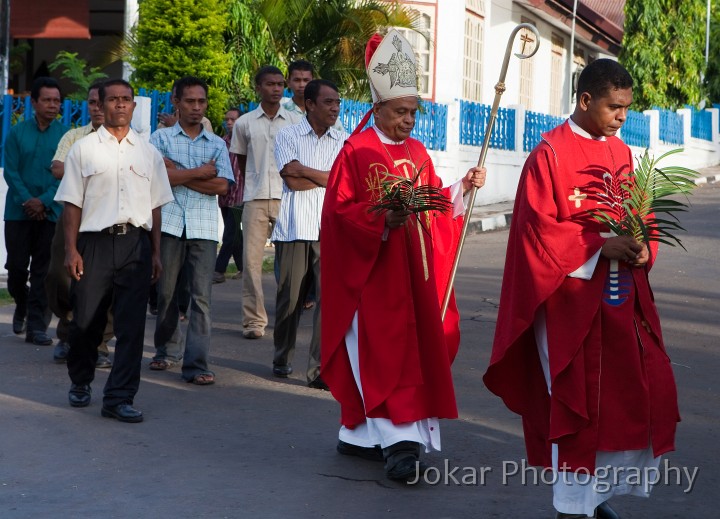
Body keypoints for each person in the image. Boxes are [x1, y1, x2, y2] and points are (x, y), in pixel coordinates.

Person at [483, 59, 680, 519]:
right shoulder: (549, 155)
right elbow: (536, 231)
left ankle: (595, 496)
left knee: (620, 398)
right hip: (570, 301)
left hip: (620, 300)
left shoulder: (622, 153)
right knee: (578, 401)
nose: (622, 117)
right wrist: (598, 246)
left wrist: (646, 247)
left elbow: (640, 212)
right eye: (615, 107)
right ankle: (571, 505)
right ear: (586, 100)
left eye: (627, 108)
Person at [320, 30, 486, 481]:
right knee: (386, 357)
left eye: (413, 112)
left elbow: (434, 200)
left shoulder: (416, 151)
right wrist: (380, 222)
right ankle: (401, 446)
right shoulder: (356, 152)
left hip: (414, 277)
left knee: (411, 352)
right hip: (372, 281)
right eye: (400, 112)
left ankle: (360, 438)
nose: (409, 121)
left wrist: (462, 188)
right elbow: (338, 215)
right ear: (377, 108)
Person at [55, 78, 173, 422]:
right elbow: (72, 204)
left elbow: (155, 207)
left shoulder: (148, 153)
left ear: (134, 106)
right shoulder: (84, 150)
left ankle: (119, 398)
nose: (120, 105)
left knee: (132, 326)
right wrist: (71, 249)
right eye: (113, 100)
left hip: (134, 245)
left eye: (126, 99)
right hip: (93, 244)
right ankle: (81, 380)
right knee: (86, 322)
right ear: (101, 106)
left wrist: (155, 253)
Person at [149, 76, 233, 385]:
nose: (196, 107)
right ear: (176, 102)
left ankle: (197, 364)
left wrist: (178, 173)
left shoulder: (217, 144)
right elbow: (157, 177)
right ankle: (166, 350)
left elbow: (222, 186)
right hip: (169, 223)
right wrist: (199, 173)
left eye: (201, 102)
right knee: (167, 292)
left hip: (205, 227)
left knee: (201, 298)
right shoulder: (160, 139)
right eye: (189, 101)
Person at [271, 79, 348, 388]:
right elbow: (292, 181)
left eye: (337, 102)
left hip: (330, 230)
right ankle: (281, 356)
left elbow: (341, 183)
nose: (335, 108)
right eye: (328, 102)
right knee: (290, 300)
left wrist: (304, 170)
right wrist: (324, 177)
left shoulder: (344, 141)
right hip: (294, 228)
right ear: (310, 104)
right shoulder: (287, 135)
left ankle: (319, 369)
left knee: (327, 303)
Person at [46, 81, 114, 367]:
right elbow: (57, 168)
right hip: (73, 214)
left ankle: (99, 344)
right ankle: (67, 333)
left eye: (102, 102)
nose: (97, 108)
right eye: (92, 103)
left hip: (106, 217)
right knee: (59, 276)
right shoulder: (74, 135)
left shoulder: (123, 140)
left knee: (104, 284)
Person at [230, 66, 300, 339]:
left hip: (288, 199)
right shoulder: (245, 123)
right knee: (251, 264)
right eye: (270, 84)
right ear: (258, 87)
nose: (276, 89)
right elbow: (242, 159)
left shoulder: (295, 121)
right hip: (256, 199)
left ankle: (286, 318)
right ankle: (253, 322)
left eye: (280, 84)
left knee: (290, 266)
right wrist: (255, 180)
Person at [3, 76, 67, 346]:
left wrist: (44, 201)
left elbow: (66, 175)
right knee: (16, 268)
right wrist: (29, 201)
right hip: (19, 213)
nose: (53, 105)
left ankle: (37, 327)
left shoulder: (66, 135)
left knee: (44, 270)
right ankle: (22, 302)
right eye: (47, 100)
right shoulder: (17, 133)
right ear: (34, 102)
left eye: (57, 101)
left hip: (50, 213)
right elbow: (11, 172)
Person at [213, 107, 244, 284]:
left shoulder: (246, 142)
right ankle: (242, 267)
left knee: (230, 234)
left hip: (240, 196)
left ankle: (219, 270)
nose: (229, 123)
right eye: (227, 119)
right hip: (225, 195)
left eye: (233, 119)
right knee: (235, 235)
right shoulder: (222, 143)